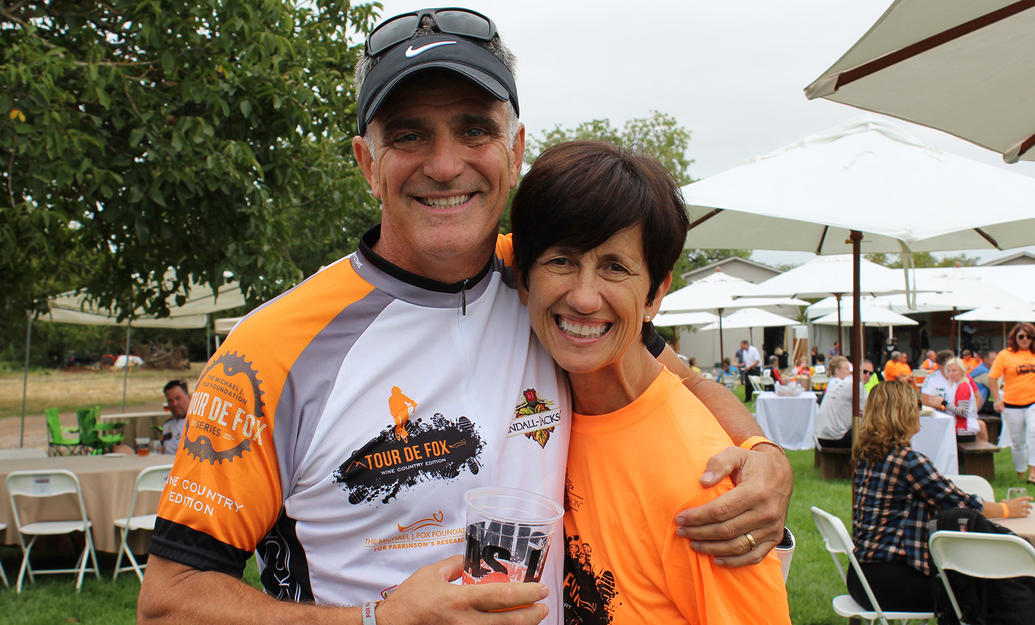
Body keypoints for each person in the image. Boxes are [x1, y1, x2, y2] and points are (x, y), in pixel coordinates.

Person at [137, 8, 792, 624]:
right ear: (367, 162)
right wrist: (376, 617)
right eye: (408, 134)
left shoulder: (550, 289)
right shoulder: (273, 348)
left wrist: (761, 454)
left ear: (514, 150)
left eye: (474, 129)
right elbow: (169, 598)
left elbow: (679, 380)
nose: (445, 164)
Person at [511, 140, 790, 624]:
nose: (582, 296)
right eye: (561, 260)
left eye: (615, 267)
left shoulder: (707, 493)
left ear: (656, 293)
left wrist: (766, 452)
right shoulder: (548, 402)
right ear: (522, 276)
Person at [849, 380, 1031, 612]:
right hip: (891, 582)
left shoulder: (866, 456)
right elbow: (964, 504)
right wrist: (1007, 509)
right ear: (902, 412)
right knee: (985, 589)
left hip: (861, 577)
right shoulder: (908, 462)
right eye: (915, 405)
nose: (919, 411)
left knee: (977, 584)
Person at [990, 322, 1035, 483]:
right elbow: (992, 377)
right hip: (1012, 404)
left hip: (1033, 402)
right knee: (1018, 443)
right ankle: (1021, 474)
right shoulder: (1005, 355)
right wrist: (996, 399)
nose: (1025, 339)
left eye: (1029, 336)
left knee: (1034, 431)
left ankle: (1033, 472)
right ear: (1015, 338)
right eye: (1021, 336)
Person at [815, 356, 864, 448]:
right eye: (847, 369)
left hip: (822, 435)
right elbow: (866, 408)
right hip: (835, 438)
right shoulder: (850, 384)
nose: (850, 371)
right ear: (837, 371)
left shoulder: (834, 383)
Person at [940, 357, 989, 442]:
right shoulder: (956, 385)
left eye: (954, 370)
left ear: (962, 371)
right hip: (960, 428)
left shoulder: (963, 386)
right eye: (949, 371)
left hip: (963, 430)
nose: (951, 373)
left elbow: (963, 412)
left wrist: (944, 403)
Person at [161, 380, 190, 455]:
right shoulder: (167, 425)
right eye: (170, 400)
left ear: (189, 397)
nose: (174, 404)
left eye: (178, 398)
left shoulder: (198, 424)